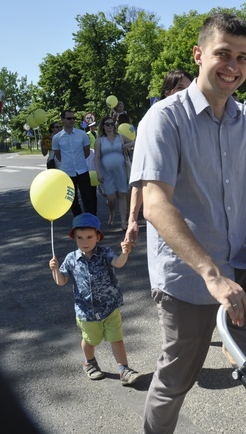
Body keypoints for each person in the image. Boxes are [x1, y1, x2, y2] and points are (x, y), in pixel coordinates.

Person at [129, 12, 246, 433]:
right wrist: (210, 274)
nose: (233, 67)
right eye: (223, 54)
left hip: (245, 268)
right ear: (198, 55)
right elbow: (155, 204)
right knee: (176, 380)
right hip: (189, 279)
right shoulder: (164, 119)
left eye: (242, 58)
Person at [48, 213, 142, 385]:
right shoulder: (71, 259)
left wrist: (124, 253)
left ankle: (124, 369)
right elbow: (61, 282)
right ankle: (89, 362)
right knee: (90, 340)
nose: (85, 241)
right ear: (74, 239)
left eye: (90, 237)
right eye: (80, 238)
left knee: (116, 338)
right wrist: (55, 270)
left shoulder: (105, 253)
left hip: (109, 307)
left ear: (98, 237)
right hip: (86, 312)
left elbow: (118, 263)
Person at [126, 71, 193, 245]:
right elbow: (143, 177)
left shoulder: (202, 122)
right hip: (169, 223)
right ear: (167, 92)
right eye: (179, 88)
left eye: (189, 88)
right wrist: (132, 219)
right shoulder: (153, 122)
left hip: (203, 223)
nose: (185, 93)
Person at [52, 109, 97, 217]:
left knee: (88, 197)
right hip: (68, 172)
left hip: (82, 170)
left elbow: (86, 153)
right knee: (72, 199)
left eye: (73, 118)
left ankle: (91, 220)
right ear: (62, 120)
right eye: (69, 118)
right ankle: (79, 219)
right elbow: (58, 156)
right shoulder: (57, 138)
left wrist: (79, 160)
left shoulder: (82, 135)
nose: (72, 120)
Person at [94, 115, 134, 231]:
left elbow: (136, 141)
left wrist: (128, 145)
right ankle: (112, 212)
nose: (110, 126)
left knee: (122, 194)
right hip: (106, 173)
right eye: (107, 124)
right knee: (111, 198)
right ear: (103, 126)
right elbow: (96, 157)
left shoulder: (120, 137)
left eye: (112, 124)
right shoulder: (99, 140)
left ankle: (123, 222)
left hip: (121, 171)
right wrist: (98, 173)